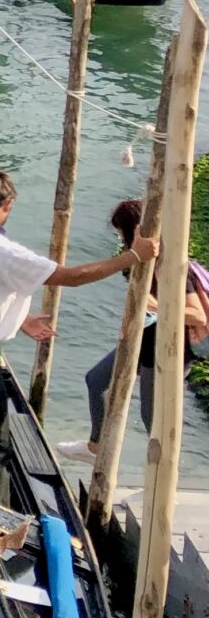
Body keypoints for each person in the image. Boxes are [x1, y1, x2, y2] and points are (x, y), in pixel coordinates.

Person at [0, 169, 157, 503]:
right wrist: (133, 256)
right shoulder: (3, 250)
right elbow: (72, 277)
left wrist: (19, 320)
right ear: (10, 204)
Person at [58, 198, 209, 464]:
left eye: (121, 232)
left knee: (153, 417)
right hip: (145, 337)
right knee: (96, 380)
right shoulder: (145, 261)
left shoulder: (170, 266)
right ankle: (97, 447)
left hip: (166, 348)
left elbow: (196, 315)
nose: (120, 238)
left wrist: (157, 306)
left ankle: (160, 481)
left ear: (133, 230)